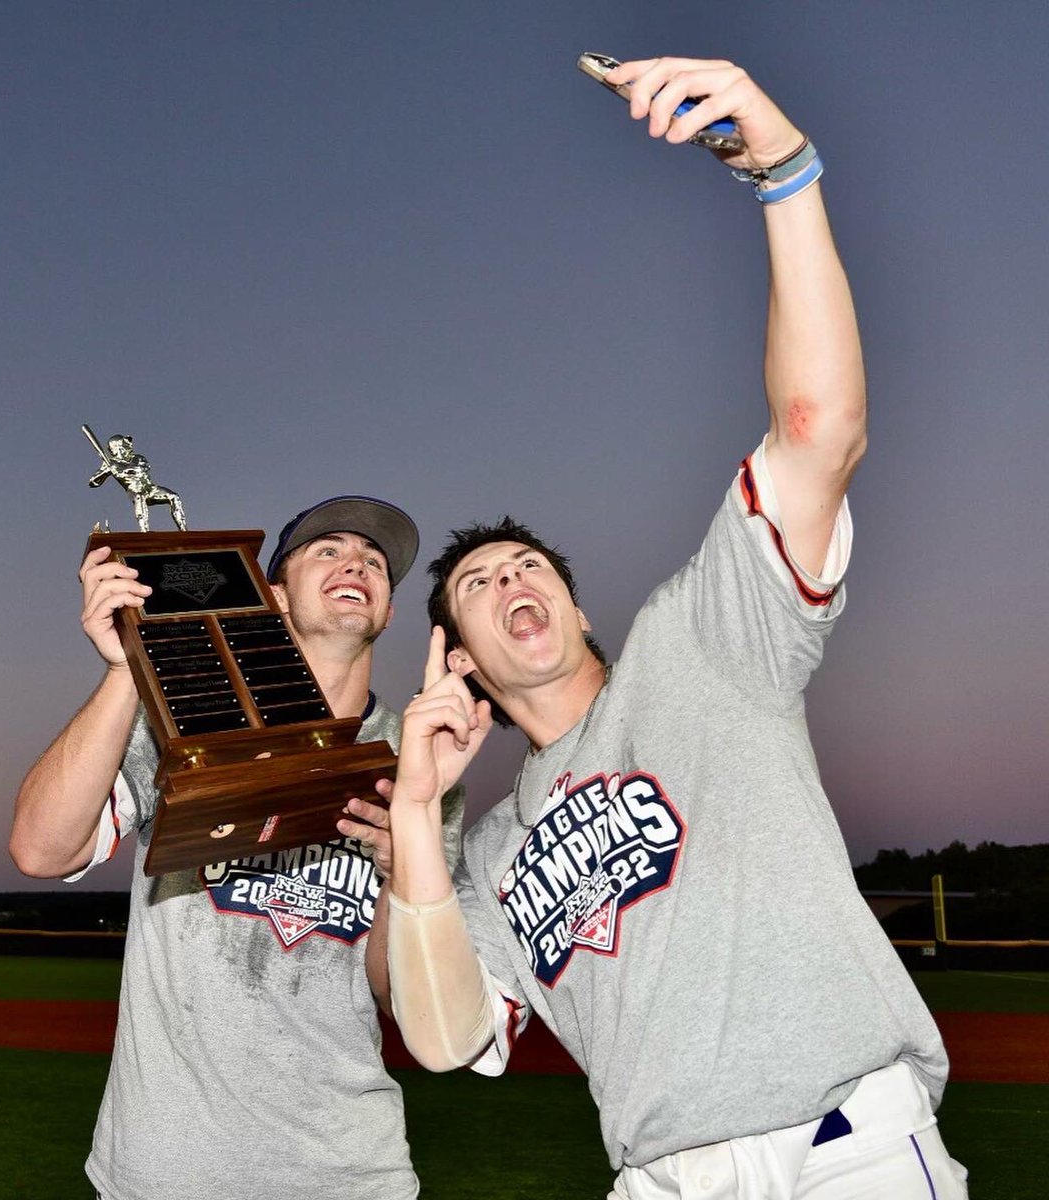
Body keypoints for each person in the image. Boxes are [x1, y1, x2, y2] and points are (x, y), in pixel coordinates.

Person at [381, 57, 968, 1200]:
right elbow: (445, 1040)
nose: (509, 583)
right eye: (477, 589)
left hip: (844, 1149)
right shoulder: (489, 854)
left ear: (576, 601)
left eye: (527, 565)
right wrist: (415, 816)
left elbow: (818, 433)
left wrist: (785, 175)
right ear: (463, 663)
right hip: (664, 1179)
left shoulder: (700, 644)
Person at [9, 494, 463, 1200]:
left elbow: (398, 992)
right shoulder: (187, 714)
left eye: (376, 562)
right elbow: (42, 849)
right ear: (273, 595)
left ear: (388, 611)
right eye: (329, 551)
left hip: (347, 1174)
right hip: (166, 1171)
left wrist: (406, 872)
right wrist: (128, 666)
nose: (358, 564)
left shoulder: (423, 759)